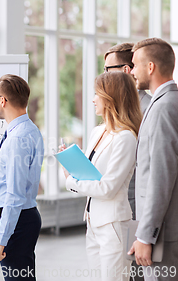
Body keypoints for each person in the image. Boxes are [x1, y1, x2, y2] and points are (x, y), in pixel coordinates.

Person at [61, 72, 142, 281]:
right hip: (92, 221)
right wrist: (71, 165)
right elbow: (89, 175)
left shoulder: (126, 137)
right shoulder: (97, 132)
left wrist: (71, 180)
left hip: (113, 226)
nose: (93, 99)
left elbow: (107, 188)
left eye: (97, 94)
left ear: (111, 98)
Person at [0, 74, 44, 281]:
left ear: (3, 100)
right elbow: (22, 173)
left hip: (16, 220)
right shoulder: (29, 130)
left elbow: (15, 194)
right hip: (23, 218)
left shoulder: (17, 138)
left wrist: (1, 239)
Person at [128, 38, 178, 281]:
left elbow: (161, 176)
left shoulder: (164, 107)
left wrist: (146, 236)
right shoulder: (165, 103)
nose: (132, 71)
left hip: (164, 235)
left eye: (135, 65)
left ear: (150, 67)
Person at [104, 43, 152, 226]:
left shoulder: (149, 109)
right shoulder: (113, 111)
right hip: (112, 201)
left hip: (135, 203)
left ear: (125, 70)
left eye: (107, 69)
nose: (105, 76)